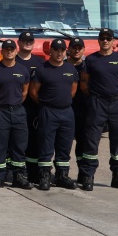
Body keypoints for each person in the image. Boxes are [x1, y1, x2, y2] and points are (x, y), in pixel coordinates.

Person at [79, 28, 118, 191]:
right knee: (92, 141)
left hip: (117, 104)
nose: (105, 41)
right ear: (98, 40)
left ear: (113, 41)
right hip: (97, 104)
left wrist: (114, 96)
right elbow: (84, 84)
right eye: (102, 38)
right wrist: (98, 98)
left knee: (117, 140)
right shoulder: (90, 60)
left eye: (108, 38)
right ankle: (87, 177)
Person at [0, 39, 32, 189]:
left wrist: (14, 103)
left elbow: (25, 92)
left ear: (16, 51)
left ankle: (19, 177)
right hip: (0, 111)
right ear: (2, 52)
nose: (9, 51)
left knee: (19, 146)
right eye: (6, 49)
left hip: (18, 111)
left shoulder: (23, 70)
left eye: (12, 49)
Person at [29, 38, 79, 191]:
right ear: (50, 51)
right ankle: (44, 176)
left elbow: (73, 90)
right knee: (46, 145)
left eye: (62, 50)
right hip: (48, 111)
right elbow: (33, 92)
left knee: (65, 145)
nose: (59, 53)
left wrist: (62, 102)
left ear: (66, 52)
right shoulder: (41, 69)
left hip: (66, 112)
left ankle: (62, 176)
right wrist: (47, 104)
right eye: (56, 50)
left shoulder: (71, 70)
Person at [16, 31, 44, 184]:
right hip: (16, 108)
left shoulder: (40, 63)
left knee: (34, 141)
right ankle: (17, 172)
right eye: (24, 40)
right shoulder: (12, 60)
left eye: (30, 40)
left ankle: (33, 172)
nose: (28, 42)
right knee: (17, 141)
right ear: (18, 42)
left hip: (33, 108)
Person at [67, 37, 89, 175]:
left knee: (83, 144)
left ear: (83, 50)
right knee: (63, 144)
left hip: (84, 110)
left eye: (79, 48)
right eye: (74, 47)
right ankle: (61, 174)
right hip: (65, 110)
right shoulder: (61, 65)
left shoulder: (88, 67)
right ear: (68, 49)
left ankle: (83, 174)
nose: (76, 50)